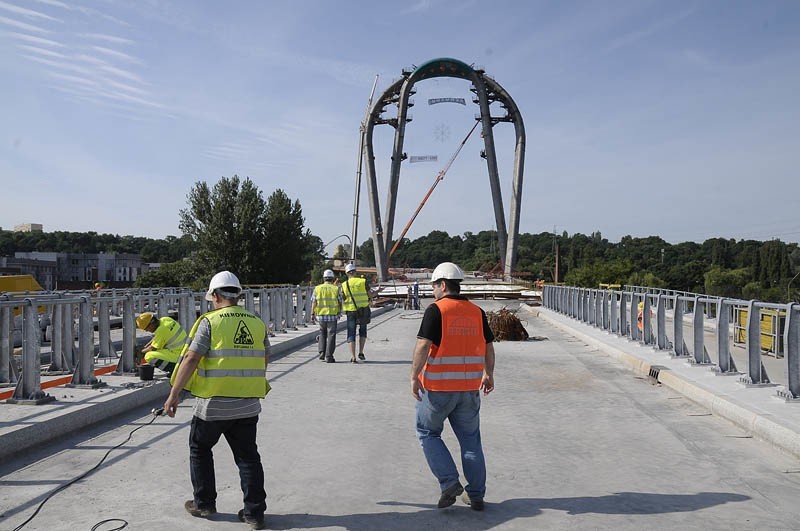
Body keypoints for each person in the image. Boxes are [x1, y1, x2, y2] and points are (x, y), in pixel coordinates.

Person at [164, 271, 270, 530]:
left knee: (200, 449)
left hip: (213, 406)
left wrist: (174, 393)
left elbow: (191, 358)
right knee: (248, 458)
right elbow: (265, 357)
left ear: (215, 295)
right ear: (238, 295)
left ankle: (204, 504)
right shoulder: (256, 322)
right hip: (247, 404)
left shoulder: (210, 322)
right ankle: (254, 513)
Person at [410, 262, 495, 512]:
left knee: (427, 432)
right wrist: (488, 373)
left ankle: (449, 482)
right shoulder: (476, 312)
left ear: (443, 285)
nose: (433, 290)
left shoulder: (436, 310)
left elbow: (423, 345)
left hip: (438, 388)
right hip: (469, 389)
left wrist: (414, 375)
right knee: (471, 441)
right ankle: (476, 495)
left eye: (434, 285)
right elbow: (489, 346)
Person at [135, 311, 187, 376]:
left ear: (151, 325)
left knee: (149, 356)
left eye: (147, 329)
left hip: (179, 355)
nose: (148, 331)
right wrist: (146, 346)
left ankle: (175, 370)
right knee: (159, 348)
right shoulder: (165, 320)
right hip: (186, 350)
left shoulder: (161, 331)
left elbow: (152, 348)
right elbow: (157, 338)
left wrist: (140, 352)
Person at [311, 269, 343, 363]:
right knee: (331, 335)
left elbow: (314, 302)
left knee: (322, 334)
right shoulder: (336, 288)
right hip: (332, 315)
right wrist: (339, 312)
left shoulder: (317, 288)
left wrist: (312, 313)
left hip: (321, 315)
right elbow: (340, 301)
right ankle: (329, 356)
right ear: (332, 279)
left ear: (324, 278)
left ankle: (322, 352)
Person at [342, 263, 370, 361]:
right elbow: (370, 295)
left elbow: (343, 298)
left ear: (347, 273)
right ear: (355, 272)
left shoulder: (344, 285)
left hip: (350, 310)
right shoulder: (363, 281)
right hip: (363, 310)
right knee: (362, 331)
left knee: (351, 333)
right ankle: (361, 352)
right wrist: (378, 291)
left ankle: (353, 356)